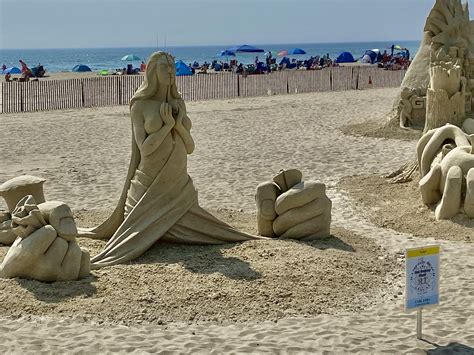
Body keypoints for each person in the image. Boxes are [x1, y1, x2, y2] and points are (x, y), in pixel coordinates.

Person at [77, 52, 264, 268]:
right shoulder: (140, 104)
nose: (170, 72)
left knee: (197, 228)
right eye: (164, 67)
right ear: (152, 72)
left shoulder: (178, 101)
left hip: (178, 187)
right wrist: (166, 126)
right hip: (148, 188)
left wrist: (175, 125)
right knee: (152, 230)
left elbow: (190, 147)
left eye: (172, 67)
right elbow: (145, 150)